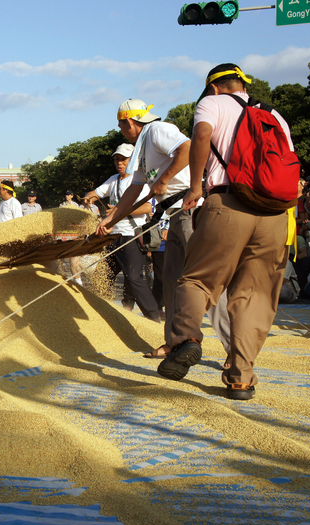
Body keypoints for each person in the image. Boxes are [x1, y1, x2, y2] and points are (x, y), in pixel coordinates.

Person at [158, 63, 296, 400]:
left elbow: (201, 137)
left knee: (197, 279)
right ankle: (240, 380)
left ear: (214, 86)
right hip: (274, 213)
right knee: (254, 297)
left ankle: (186, 340)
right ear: (243, 85)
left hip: (229, 203)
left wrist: (194, 187)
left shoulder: (212, 103)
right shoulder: (273, 114)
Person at [97, 97, 230, 362]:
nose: (122, 131)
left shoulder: (158, 130)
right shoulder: (140, 148)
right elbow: (135, 190)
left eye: (122, 126)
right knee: (169, 281)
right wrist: (110, 220)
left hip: (190, 208)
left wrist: (164, 179)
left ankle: (235, 349)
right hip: (171, 214)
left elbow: (187, 148)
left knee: (205, 281)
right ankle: (175, 341)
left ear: (129, 122)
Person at [84, 143, 160, 322]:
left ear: (132, 160)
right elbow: (94, 193)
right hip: (113, 236)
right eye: (117, 159)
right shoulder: (114, 179)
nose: (120, 163)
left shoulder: (139, 179)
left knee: (133, 277)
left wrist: (118, 211)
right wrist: (89, 198)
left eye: (124, 159)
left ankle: (153, 316)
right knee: (102, 275)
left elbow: (148, 207)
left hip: (132, 235)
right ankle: (100, 314)